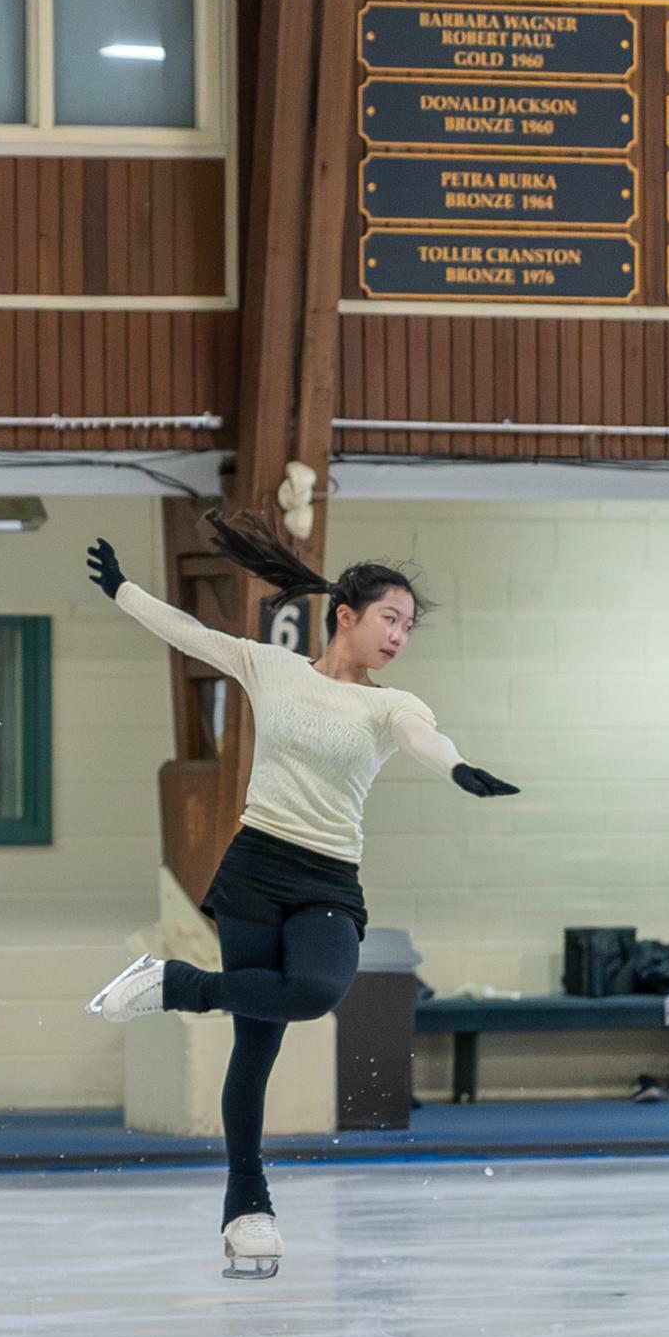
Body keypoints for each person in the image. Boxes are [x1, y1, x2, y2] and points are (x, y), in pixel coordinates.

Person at [82, 512, 519, 1281]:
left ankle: (173, 983)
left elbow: (427, 737)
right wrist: (123, 590)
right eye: (391, 617)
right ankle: (248, 1211)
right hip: (255, 868)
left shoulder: (390, 704)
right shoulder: (272, 667)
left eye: (409, 626)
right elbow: (190, 634)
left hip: (327, 881)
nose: (399, 635)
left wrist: (457, 768)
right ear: (346, 614)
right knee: (256, 1044)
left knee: (315, 990)